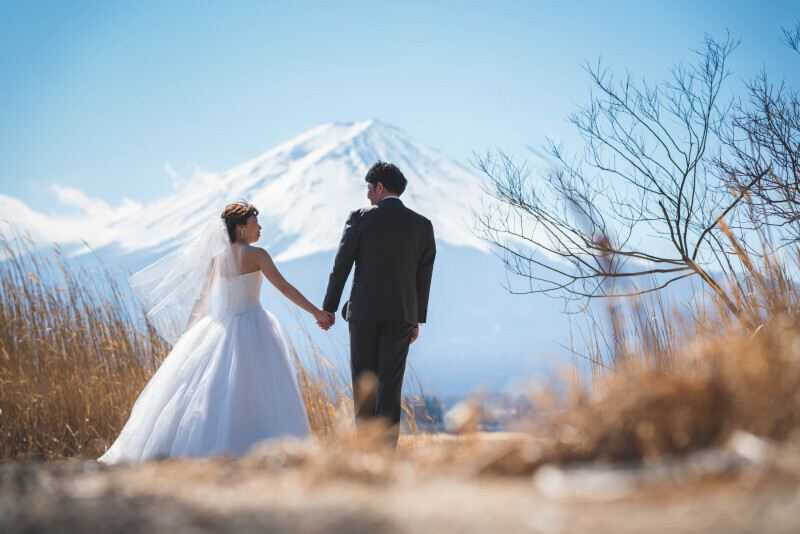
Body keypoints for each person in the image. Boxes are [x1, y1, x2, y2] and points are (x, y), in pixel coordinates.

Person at [98, 202, 334, 464]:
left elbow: (200, 301)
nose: (260, 227)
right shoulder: (258, 255)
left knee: (221, 390)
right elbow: (284, 287)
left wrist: (185, 337)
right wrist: (316, 312)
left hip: (222, 326)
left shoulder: (217, 259)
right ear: (241, 229)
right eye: (255, 222)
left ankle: (217, 449)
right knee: (258, 389)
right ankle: (259, 450)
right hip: (255, 325)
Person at [323, 161, 436, 448]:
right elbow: (424, 277)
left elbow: (341, 266)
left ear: (380, 187)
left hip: (363, 312)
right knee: (390, 385)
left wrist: (329, 307)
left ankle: (365, 451)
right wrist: (417, 319)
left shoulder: (360, 218)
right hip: (402, 314)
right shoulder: (423, 225)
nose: (367, 195)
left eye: (369, 188)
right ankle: (386, 453)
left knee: (364, 382)